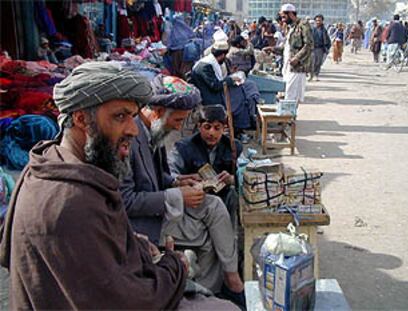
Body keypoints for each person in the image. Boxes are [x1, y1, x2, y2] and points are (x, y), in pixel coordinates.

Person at [0, 61, 236, 310]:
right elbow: (130, 300)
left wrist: (134, 244)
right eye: (120, 116)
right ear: (81, 119)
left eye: (133, 116)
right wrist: (174, 266)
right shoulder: (70, 199)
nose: (133, 130)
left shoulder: (51, 167)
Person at [120, 75, 245, 308]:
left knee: (215, 205)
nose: (179, 127)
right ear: (157, 111)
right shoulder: (130, 139)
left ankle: (220, 285)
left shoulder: (153, 133)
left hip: (163, 208)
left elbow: (158, 178)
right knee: (209, 239)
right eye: (177, 120)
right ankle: (227, 283)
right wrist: (176, 195)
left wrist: (178, 181)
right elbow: (126, 201)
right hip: (144, 225)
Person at [169, 105, 242, 223]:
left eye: (217, 128)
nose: (211, 133)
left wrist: (232, 179)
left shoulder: (234, 147)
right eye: (207, 127)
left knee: (233, 195)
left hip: (223, 199)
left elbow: (245, 176)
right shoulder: (183, 147)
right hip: (195, 200)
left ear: (224, 128)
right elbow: (170, 173)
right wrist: (183, 180)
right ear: (199, 127)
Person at [280, 3, 314, 103]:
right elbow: (288, 48)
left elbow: (308, 45)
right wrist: (273, 49)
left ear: (290, 14)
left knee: (291, 95)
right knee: (288, 94)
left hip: (297, 67)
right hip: (287, 66)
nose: (282, 20)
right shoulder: (290, 28)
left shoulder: (303, 25)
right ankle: (289, 117)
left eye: (283, 17)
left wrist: (297, 58)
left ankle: (289, 117)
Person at [191, 41, 237, 106]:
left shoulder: (209, 62)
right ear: (223, 55)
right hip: (207, 100)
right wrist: (231, 79)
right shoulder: (205, 66)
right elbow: (215, 86)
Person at [309, 14, 331, 81]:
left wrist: (327, 48)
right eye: (317, 20)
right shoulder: (312, 29)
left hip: (320, 49)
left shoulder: (324, 30)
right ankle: (311, 75)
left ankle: (316, 75)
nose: (318, 22)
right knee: (312, 62)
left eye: (320, 20)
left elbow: (327, 40)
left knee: (318, 62)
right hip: (312, 48)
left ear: (322, 21)